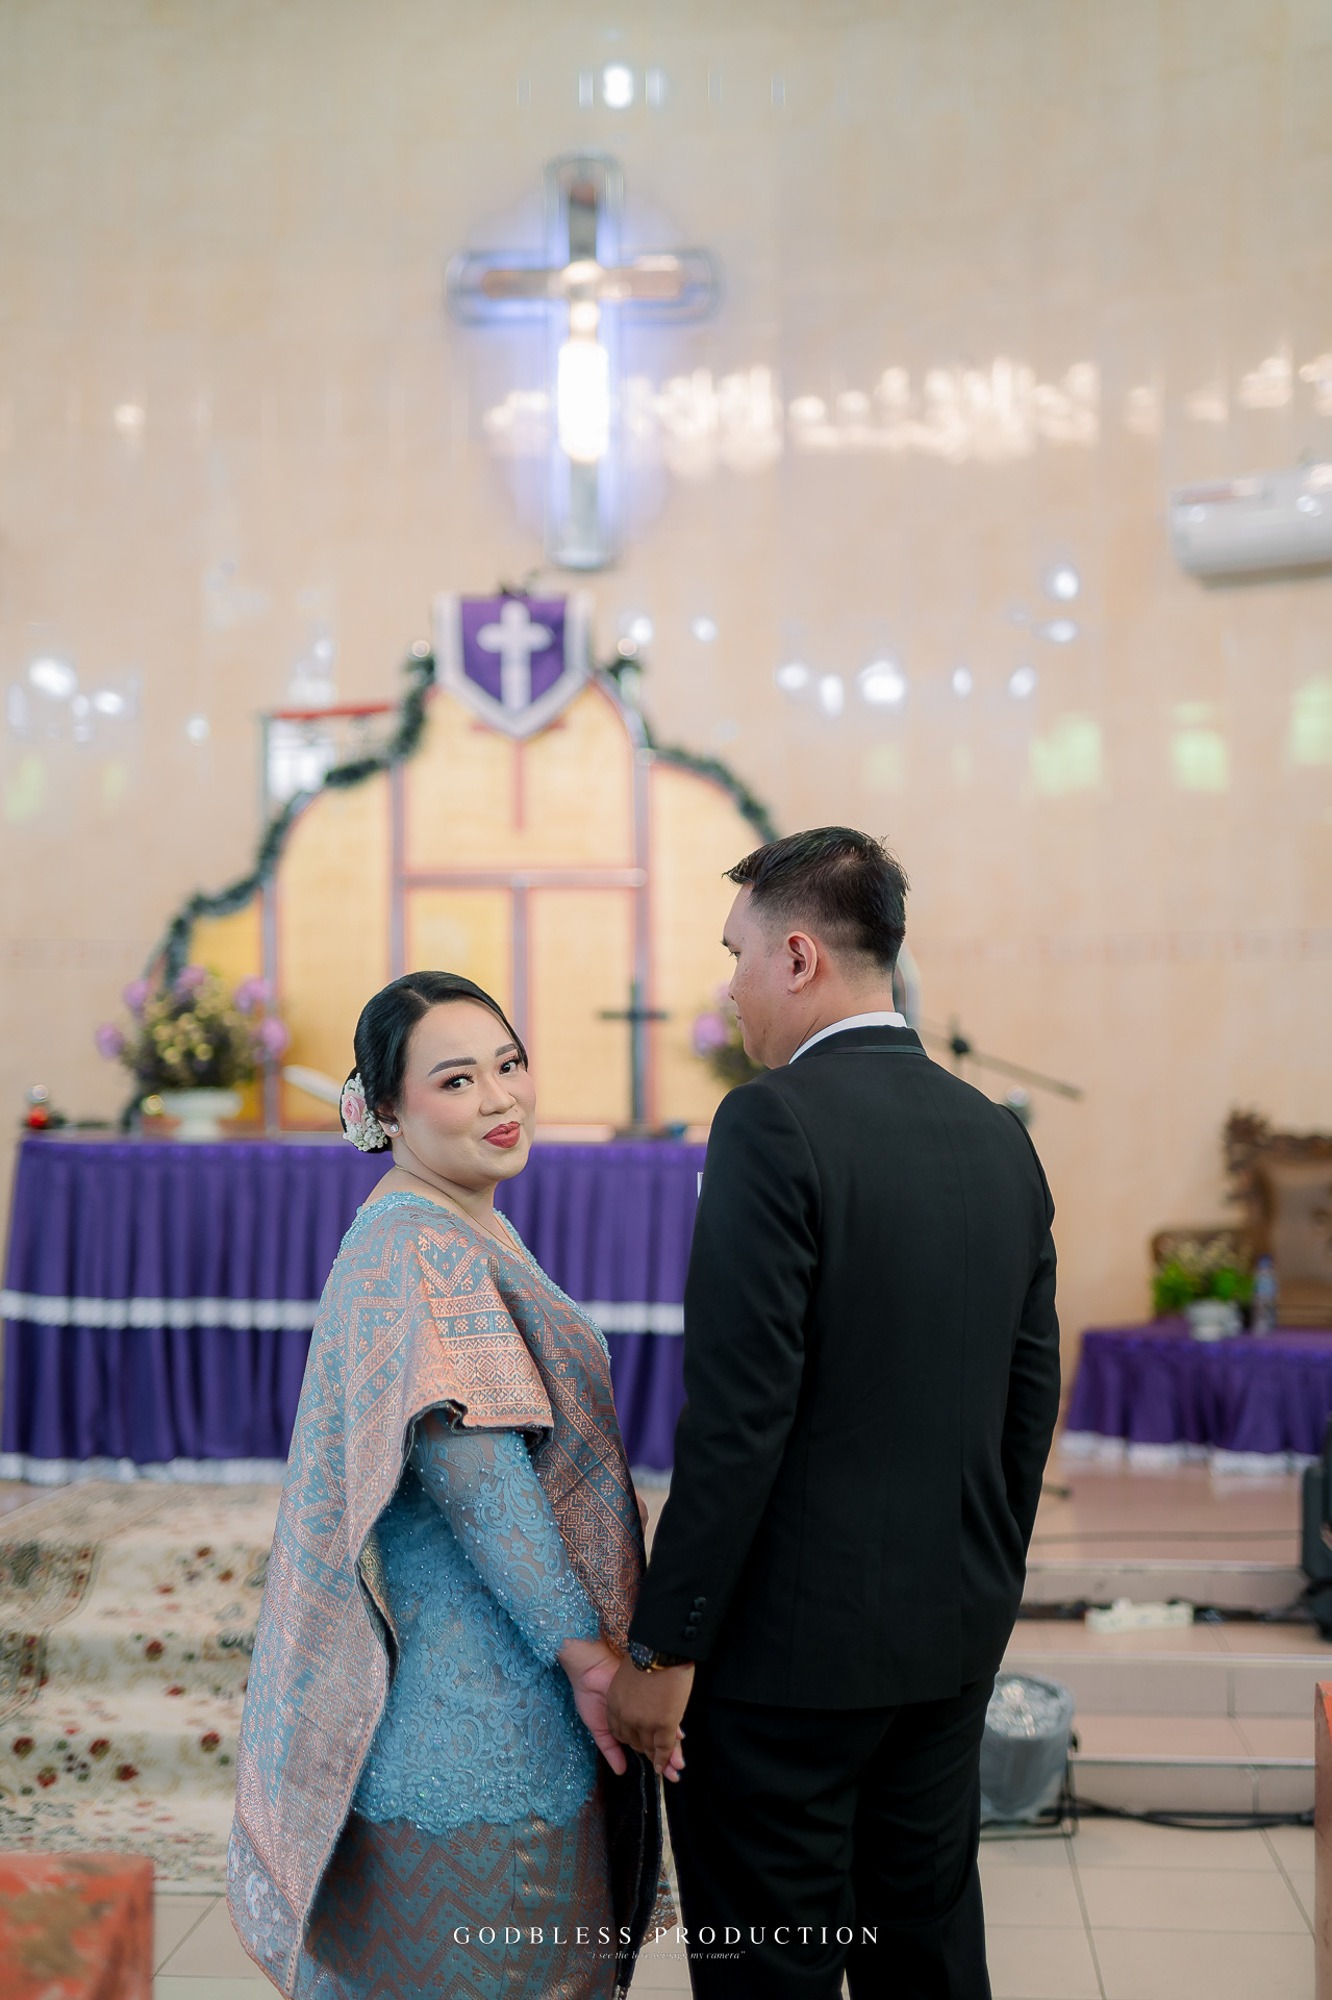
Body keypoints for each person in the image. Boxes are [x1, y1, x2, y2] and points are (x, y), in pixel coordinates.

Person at [608, 828, 1061, 1999]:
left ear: (800, 955)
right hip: (950, 1637)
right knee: (926, 1952)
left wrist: (665, 1643)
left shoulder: (773, 1121)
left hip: (787, 1666)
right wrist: (980, 1586)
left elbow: (738, 1416)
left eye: (737, 953)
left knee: (775, 1968)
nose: (731, 985)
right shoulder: (998, 1136)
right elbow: (1028, 1401)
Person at [229, 971, 672, 2000]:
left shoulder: (438, 1221)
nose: (500, 1099)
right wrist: (590, 1659)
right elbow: (485, 1489)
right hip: (483, 1724)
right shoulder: (418, 1249)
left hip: (483, 1697)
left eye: (509, 1064)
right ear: (385, 1108)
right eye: (458, 1079)